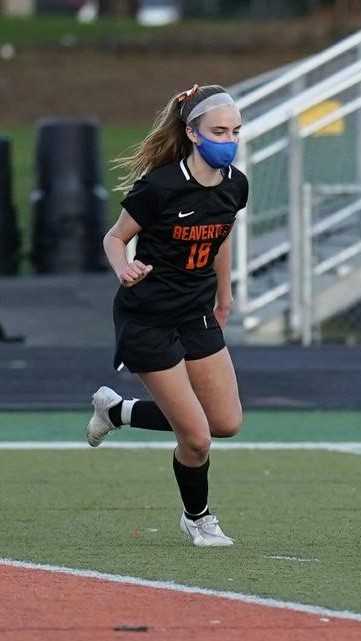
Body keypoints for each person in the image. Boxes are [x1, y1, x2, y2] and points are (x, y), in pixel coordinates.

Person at [85, 84, 248, 547]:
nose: (229, 139)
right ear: (193, 133)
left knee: (226, 422)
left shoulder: (236, 183)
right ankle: (198, 518)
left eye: (235, 131)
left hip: (196, 312)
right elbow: (114, 239)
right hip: (148, 317)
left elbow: (220, 236)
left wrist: (225, 296)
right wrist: (124, 267)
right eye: (219, 131)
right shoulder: (160, 185)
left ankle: (117, 411)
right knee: (196, 438)